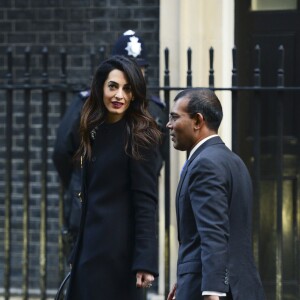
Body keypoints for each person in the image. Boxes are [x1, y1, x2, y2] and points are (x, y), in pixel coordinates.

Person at [52, 30, 168, 260]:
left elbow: (157, 161)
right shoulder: (87, 105)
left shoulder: (154, 110)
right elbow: (62, 153)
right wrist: (79, 180)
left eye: (139, 71)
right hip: (87, 209)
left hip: (131, 213)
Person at [65, 55, 161, 300]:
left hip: (119, 256)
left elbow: (146, 202)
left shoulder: (141, 137)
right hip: (88, 251)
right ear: (101, 88)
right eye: (113, 87)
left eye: (127, 89)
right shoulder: (93, 129)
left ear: (135, 94)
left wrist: (145, 261)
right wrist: (76, 254)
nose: (119, 95)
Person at [166, 88, 265, 300]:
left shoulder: (205, 164)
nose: (169, 125)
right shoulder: (233, 161)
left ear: (197, 121)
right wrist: (184, 281)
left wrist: (212, 291)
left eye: (174, 117)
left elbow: (214, 233)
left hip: (216, 292)